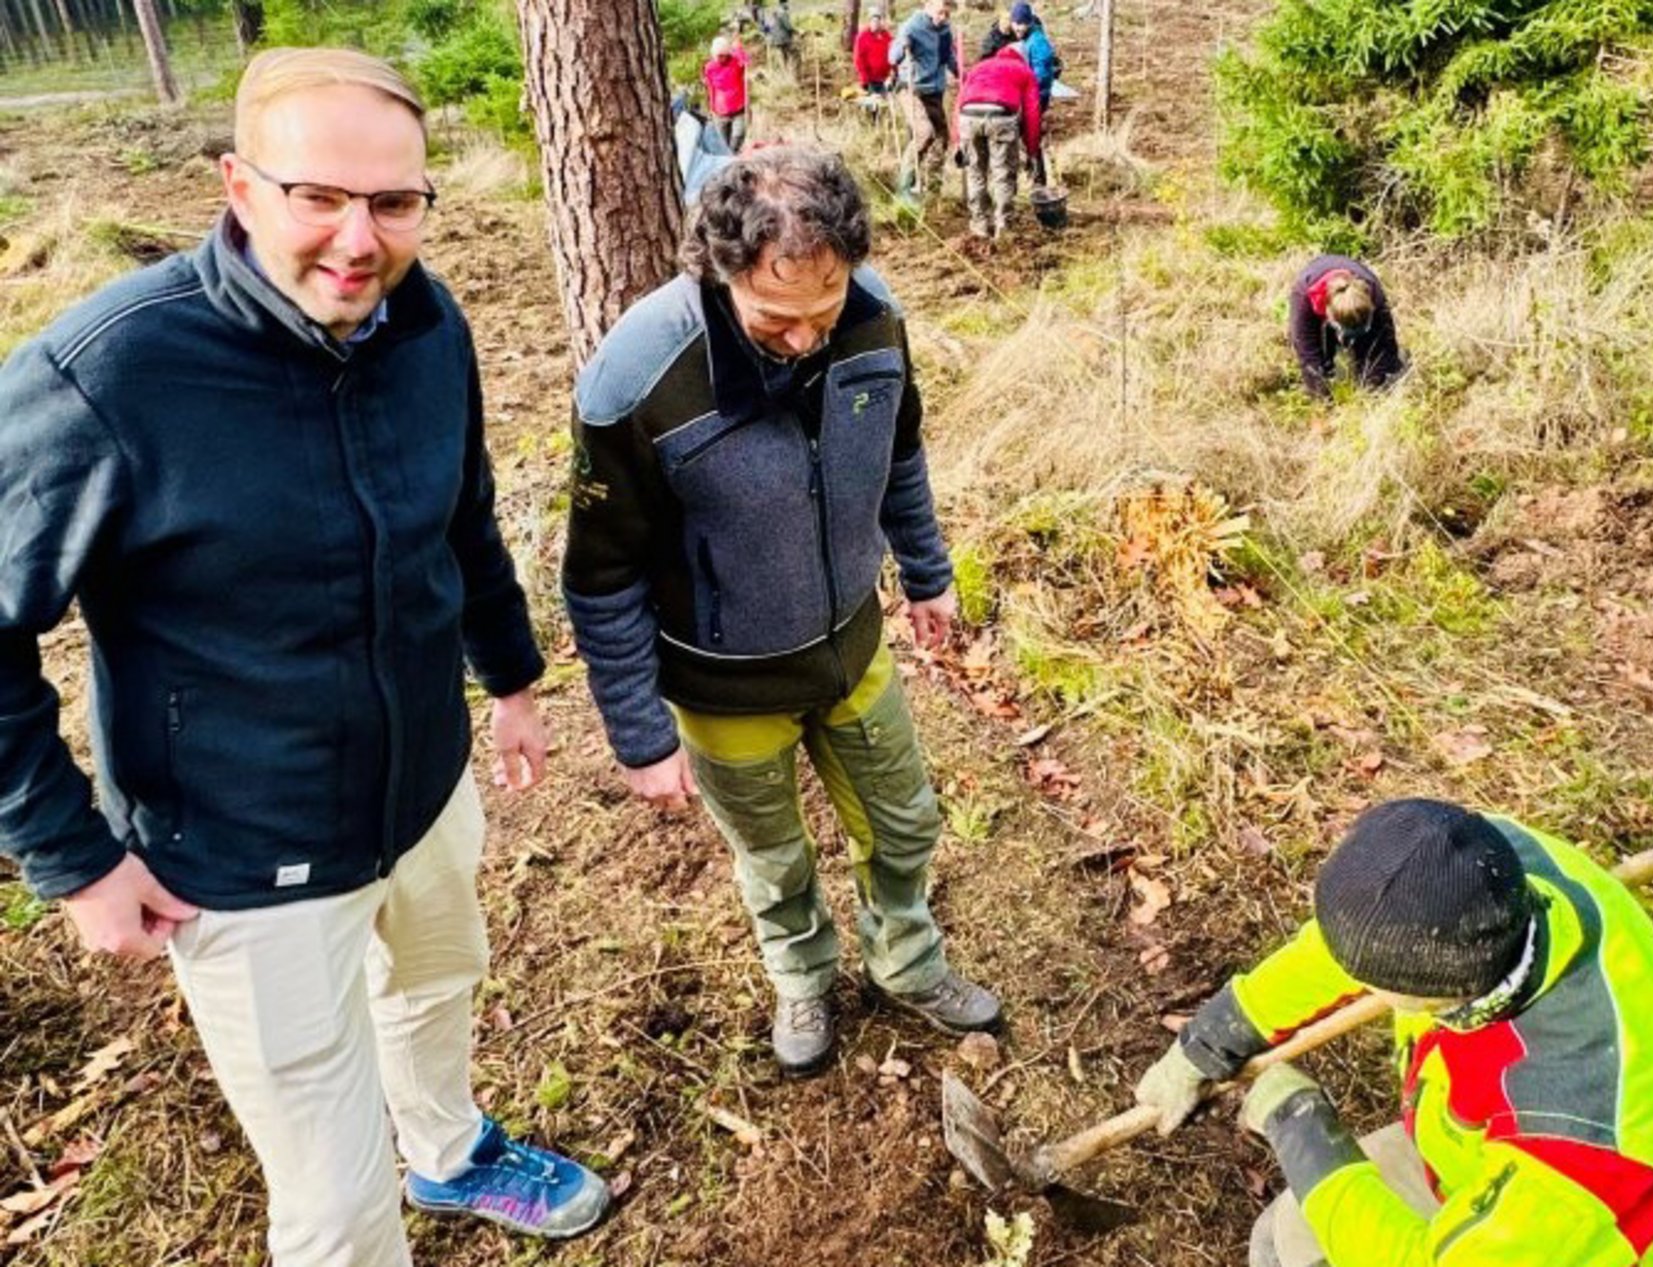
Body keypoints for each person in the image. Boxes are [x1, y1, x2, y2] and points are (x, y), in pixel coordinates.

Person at [0, 47, 608, 1265]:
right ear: (238, 185)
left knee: (438, 985)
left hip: (424, 787)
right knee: (333, 1207)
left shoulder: (430, 322)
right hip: (243, 851)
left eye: (392, 202)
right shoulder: (105, 376)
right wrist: (71, 860)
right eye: (317, 196)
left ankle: (450, 1153)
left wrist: (514, 676)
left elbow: (464, 516)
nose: (357, 237)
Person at [562, 148, 1002, 1078]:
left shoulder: (875, 319)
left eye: (823, 312)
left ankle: (908, 963)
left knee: (906, 821)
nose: (807, 340)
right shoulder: (638, 381)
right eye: (775, 319)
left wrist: (926, 573)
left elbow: (902, 455)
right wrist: (641, 734)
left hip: (851, 647)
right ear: (718, 275)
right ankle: (802, 973)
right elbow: (602, 576)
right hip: (725, 687)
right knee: (773, 855)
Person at [1133, 799, 1653, 1267]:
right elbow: (1359, 937)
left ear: (1436, 994)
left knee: (1306, 1236)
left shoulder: (1582, 1146)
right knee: (1287, 1237)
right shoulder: (1483, 866)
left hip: (1584, 1241)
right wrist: (1211, 1040)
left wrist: (1301, 1127)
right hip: (1470, 1155)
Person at [955, 43, 1040, 239]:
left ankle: (979, 225)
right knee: (1003, 173)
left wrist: (957, 140)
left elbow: (959, 103)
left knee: (975, 172)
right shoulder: (1024, 71)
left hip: (968, 116)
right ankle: (1003, 225)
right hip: (1001, 115)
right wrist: (1032, 149)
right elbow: (1032, 113)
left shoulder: (979, 67)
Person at [1289, 254, 1404, 399]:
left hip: (1361, 298)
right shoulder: (1303, 298)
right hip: (1314, 292)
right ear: (1328, 316)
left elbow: (1385, 347)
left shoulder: (1374, 294)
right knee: (1323, 354)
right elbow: (1308, 357)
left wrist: (1373, 392)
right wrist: (1324, 401)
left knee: (1372, 354)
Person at [891, 0, 959, 202]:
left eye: (947, 14)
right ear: (928, 6)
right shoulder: (911, 26)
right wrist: (902, 46)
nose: (943, 18)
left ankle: (933, 189)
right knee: (924, 133)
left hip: (934, 91)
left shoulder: (946, 30)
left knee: (941, 138)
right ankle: (903, 188)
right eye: (940, 13)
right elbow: (892, 57)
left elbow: (948, 58)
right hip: (912, 89)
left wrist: (962, 73)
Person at [703, 33, 751, 153]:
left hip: (739, 108)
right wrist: (711, 107)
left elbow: (746, 62)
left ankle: (733, 158)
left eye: (723, 56)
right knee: (723, 146)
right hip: (720, 112)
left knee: (737, 138)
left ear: (728, 53)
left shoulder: (735, 61)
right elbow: (710, 88)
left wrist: (739, 49)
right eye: (718, 56)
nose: (721, 59)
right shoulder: (709, 67)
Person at [1008, 2, 1060, 111]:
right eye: (1015, 23)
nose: (1018, 27)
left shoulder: (1038, 41)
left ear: (1029, 23)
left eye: (1022, 23)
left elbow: (1042, 75)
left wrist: (1026, 91)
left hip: (1036, 96)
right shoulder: (1025, 38)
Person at [853, 8, 896, 94]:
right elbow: (858, 60)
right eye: (873, 21)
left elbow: (893, 54)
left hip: (886, 78)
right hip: (871, 80)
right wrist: (864, 80)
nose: (876, 23)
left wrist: (895, 73)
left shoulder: (887, 36)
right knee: (876, 102)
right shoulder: (862, 37)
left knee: (889, 100)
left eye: (878, 20)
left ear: (881, 22)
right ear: (869, 22)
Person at [761, 0, 799, 74]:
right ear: (784, 3)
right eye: (787, 3)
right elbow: (788, 26)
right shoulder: (782, 12)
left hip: (776, 38)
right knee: (791, 53)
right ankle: (789, 71)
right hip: (783, 38)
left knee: (783, 54)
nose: (788, 4)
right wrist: (795, 31)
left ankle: (784, 71)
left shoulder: (776, 11)